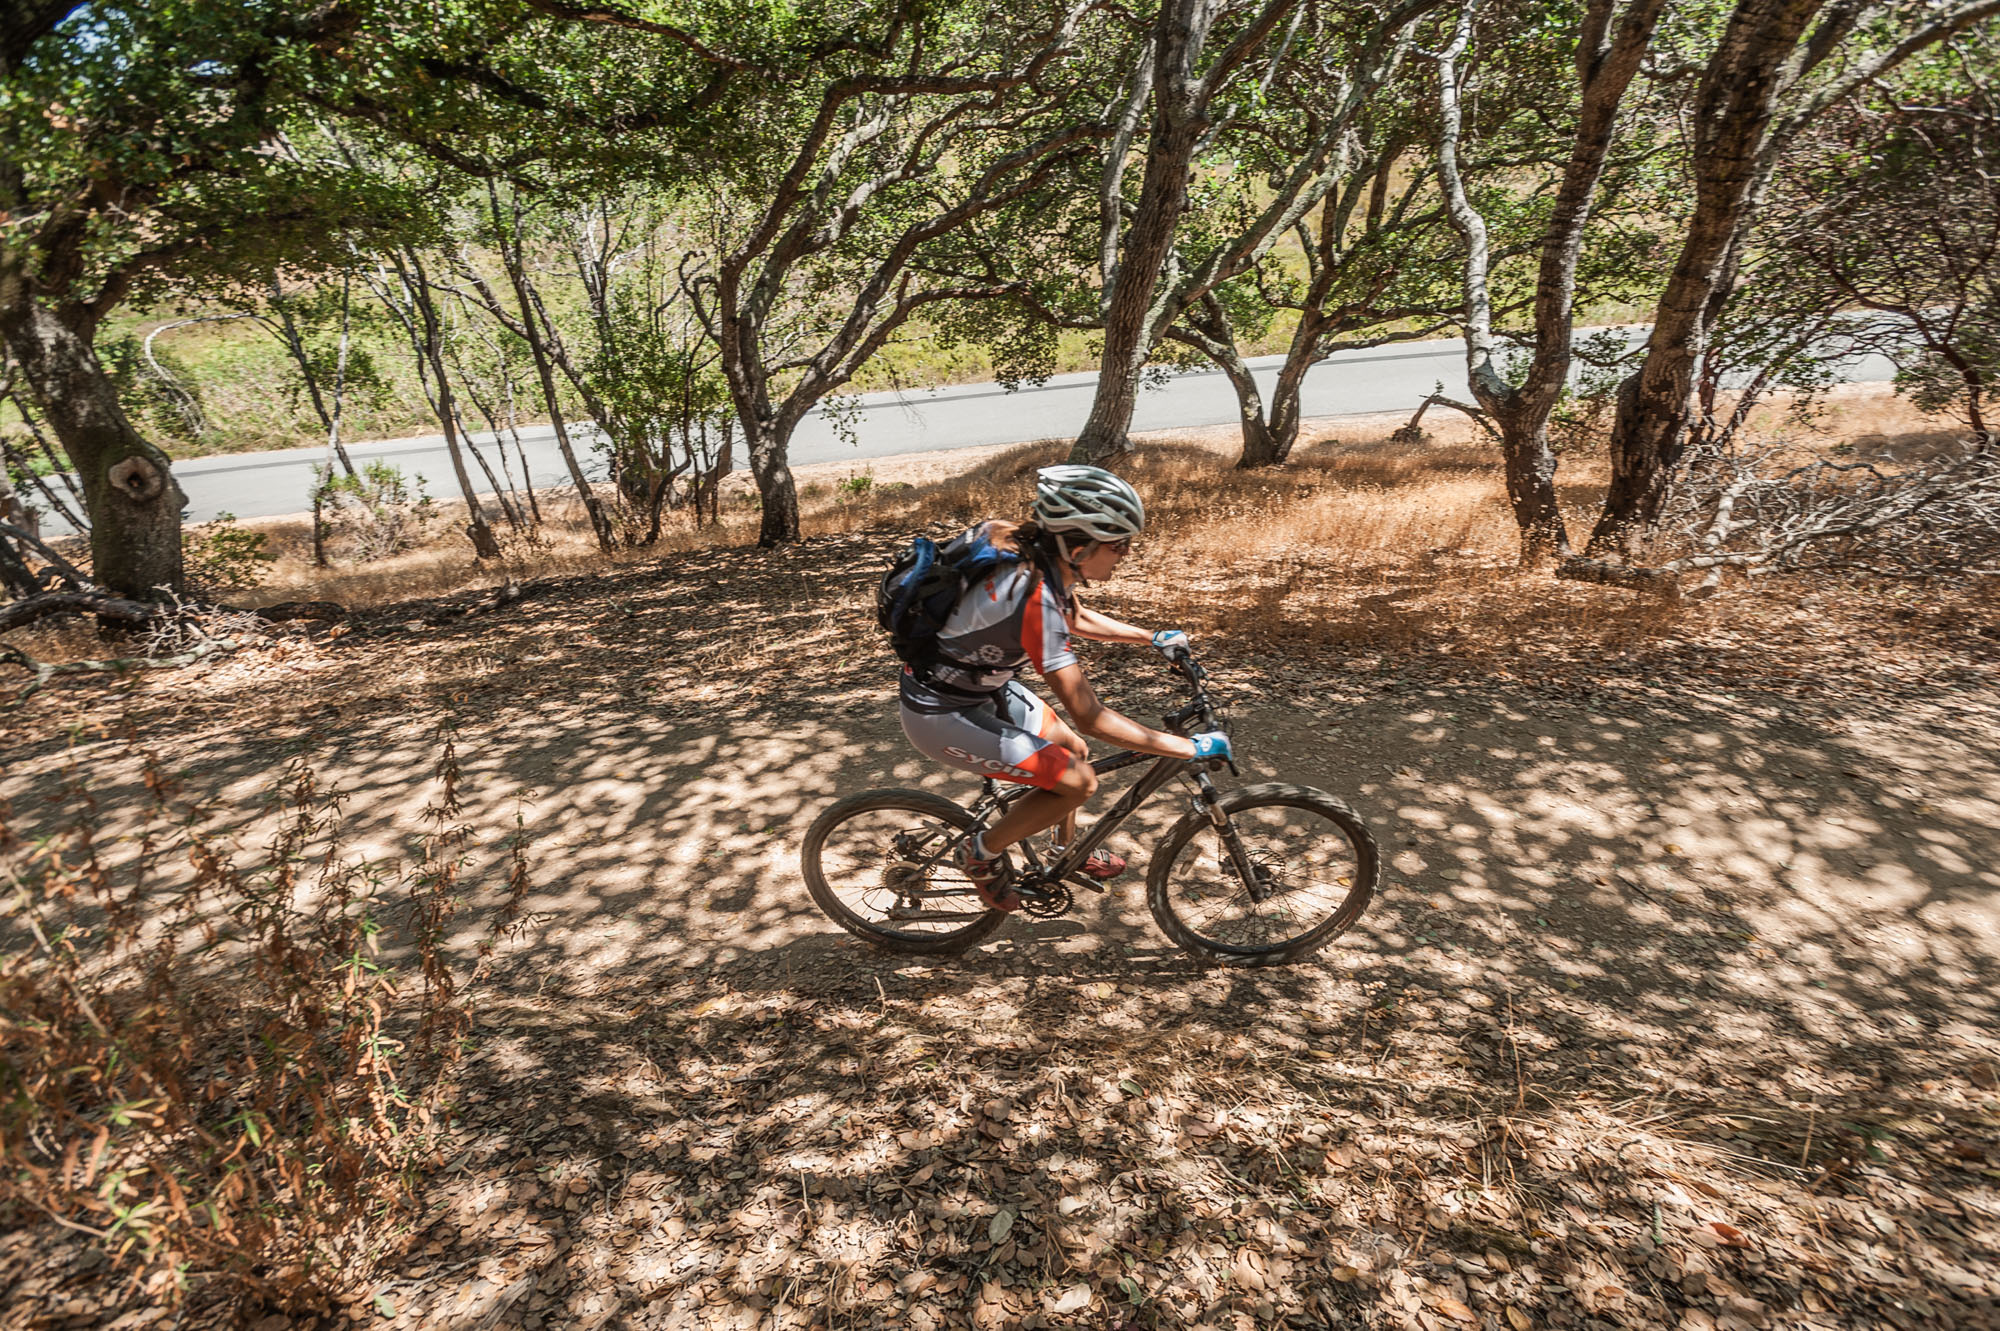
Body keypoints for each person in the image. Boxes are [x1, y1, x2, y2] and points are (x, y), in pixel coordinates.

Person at [896, 463, 1233, 911]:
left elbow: (1076, 616)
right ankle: (980, 853)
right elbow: (1092, 716)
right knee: (1078, 782)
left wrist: (1151, 637)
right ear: (1076, 547)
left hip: (978, 689)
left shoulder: (1028, 551)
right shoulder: (1033, 599)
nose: (1126, 554)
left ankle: (1064, 852)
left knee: (1072, 751)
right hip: (941, 715)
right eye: (1118, 545)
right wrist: (1188, 749)